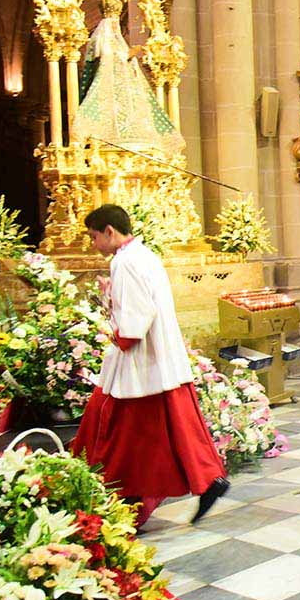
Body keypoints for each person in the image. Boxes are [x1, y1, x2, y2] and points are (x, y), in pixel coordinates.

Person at [71, 204, 227, 527]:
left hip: (141, 364)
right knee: (173, 431)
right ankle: (204, 480)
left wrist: (117, 334)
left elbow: (136, 318)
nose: (94, 244)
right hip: (161, 361)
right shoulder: (144, 255)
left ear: (109, 231)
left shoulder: (124, 262)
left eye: (94, 237)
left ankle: (124, 503)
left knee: (126, 438)